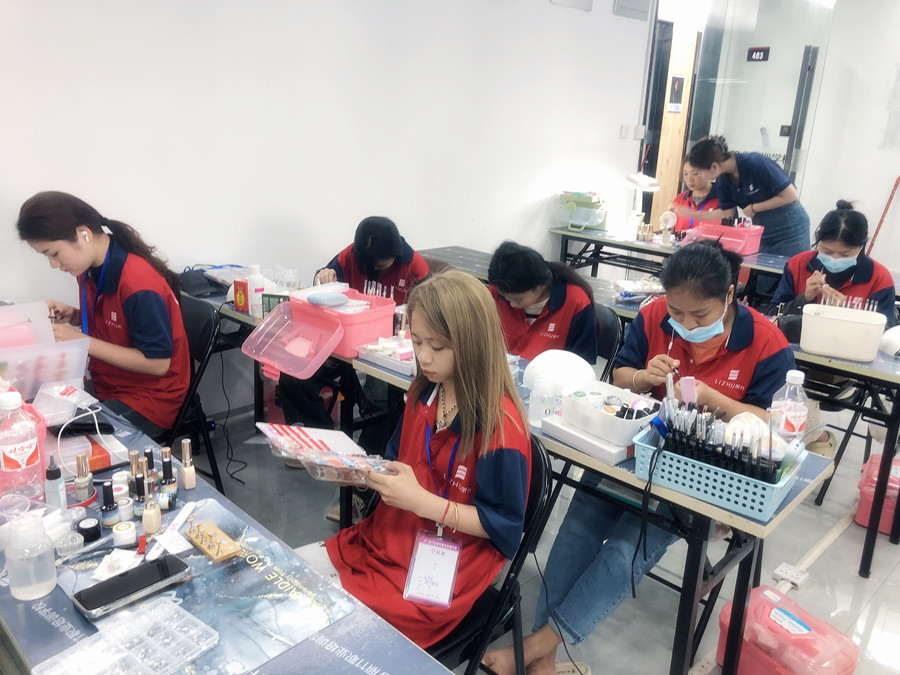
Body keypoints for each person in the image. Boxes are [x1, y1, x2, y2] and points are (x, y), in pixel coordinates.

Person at [482, 242, 794, 675]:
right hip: (632, 450)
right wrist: (645, 377)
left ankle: (538, 644)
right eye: (677, 312)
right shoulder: (653, 316)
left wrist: (714, 400)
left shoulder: (765, 341)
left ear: (729, 296)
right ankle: (543, 659)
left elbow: (775, 424)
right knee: (577, 528)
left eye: (699, 315)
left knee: (628, 545)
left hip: (700, 473)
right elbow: (620, 375)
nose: (686, 324)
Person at [299, 270, 531, 648]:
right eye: (417, 340)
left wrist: (422, 502)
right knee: (289, 576)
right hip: (388, 537)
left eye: (436, 346)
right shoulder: (425, 392)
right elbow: (396, 462)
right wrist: (358, 472)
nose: (423, 356)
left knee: (320, 620)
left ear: (473, 345)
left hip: (446, 566)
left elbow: (503, 526)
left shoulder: (500, 428)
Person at [17, 191, 189, 438]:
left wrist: (81, 341)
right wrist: (74, 316)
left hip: (149, 400)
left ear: (83, 234)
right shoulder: (88, 269)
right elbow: (116, 323)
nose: (54, 265)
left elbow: (158, 364)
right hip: (107, 385)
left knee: (62, 438)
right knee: (32, 413)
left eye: (54, 254)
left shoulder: (138, 283)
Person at [277, 216, 430, 431]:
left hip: (386, 349)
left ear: (394, 255)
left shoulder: (414, 266)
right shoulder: (351, 255)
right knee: (293, 372)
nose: (373, 269)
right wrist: (322, 277)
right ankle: (320, 439)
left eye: (380, 264)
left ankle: (373, 445)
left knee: (380, 390)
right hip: (344, 343)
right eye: (367, 264)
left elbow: (432, 311)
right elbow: (322, 285)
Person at [771, 200, 896, 328]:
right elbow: (772, 314)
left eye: (845, 254)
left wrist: (847, 313)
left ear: (861, 246)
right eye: (827, 251)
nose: (835, 259)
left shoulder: (879, 278)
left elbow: (886, 330)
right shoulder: (797, 265)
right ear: (818, 240)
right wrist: (804, 299)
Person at [685, 135, 810, 257]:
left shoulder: (755, 162)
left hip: (790, 229)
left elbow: (791, 195)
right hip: (762, 231)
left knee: (787, 268)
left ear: (714, 166)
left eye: (699, 172)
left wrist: (754, 208)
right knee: (762, 270)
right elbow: (727, 212)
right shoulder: (723, 178)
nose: (699, 177)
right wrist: (695, 215)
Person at [487, 241, 598, 365]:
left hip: (548, 374)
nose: (512, 304)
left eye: (518, 299)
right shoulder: (496, 291)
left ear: (540, 285)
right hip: (501, 370)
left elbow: (582, 364)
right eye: (505, 298)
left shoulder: (575, 302)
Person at [667, 155, 722, 232]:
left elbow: (731, 233)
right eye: (685, 174)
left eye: (695, 173)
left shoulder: (723, 200)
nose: (690, 179)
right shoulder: (680, 199)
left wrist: (696, 234)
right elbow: (670, 231)